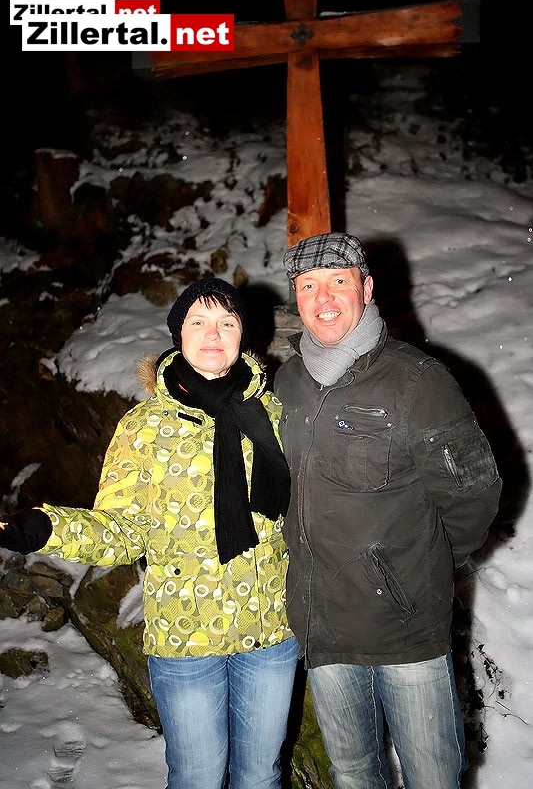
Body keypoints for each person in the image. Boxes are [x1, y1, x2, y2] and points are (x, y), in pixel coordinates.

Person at [0, 277, 298, 789]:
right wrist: (48, 528)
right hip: (185, 637)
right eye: (198, 322)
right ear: (178, 334)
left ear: (242, 334)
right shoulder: (144, 427)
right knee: (197, 776)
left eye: (226, 322)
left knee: (261, 775)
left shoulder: (273, 413)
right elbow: (123, 532)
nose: (213, 334)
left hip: (269, 631)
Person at [273, 232, 502, 789]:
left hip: (406, 632)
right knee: (354, 774)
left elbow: (474, 494)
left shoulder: (418, 381)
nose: (324, 298)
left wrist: (411, 572)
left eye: (339, 282)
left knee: (432, 777)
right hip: (323, 625)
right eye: (308, 285)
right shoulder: (287, 382)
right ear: (296, 297)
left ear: (367, 288)